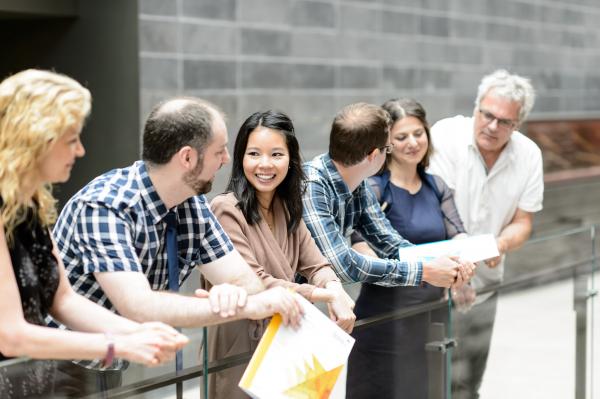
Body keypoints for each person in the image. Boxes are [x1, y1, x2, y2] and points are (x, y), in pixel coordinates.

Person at [50, 97, 304, 396]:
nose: (226, 159)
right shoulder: (106, 206)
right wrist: (236, 305)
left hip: (112, 362)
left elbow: (246, 283)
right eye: (219, 150)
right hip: (56, 365)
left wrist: (230, 293)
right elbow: (138, 305)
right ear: (187, 158)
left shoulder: (192, 206)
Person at [0, 69, 188, 398]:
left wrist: (142, 332)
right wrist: (119, 345)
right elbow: (11, 334)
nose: (81, 151)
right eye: (71, 139)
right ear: (34, 139)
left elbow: (64, 300)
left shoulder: (31, 203)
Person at [207, 110, 356, 399]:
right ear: (240, 159)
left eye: (276, 154)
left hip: (285, 339)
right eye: (254, 154)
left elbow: (317, 263)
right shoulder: (226, 209)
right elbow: (255, 280)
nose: (265, 164)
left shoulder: (288, 208)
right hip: (239, 343)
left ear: (291, 159)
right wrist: (322, 295)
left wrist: (335, 288)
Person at [428, 69, 543, 399]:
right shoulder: (446, 135)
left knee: (467, 385)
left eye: (504, 121)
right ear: (476, 107)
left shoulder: (529, 155)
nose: (492, 126)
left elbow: (523, 221)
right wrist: (457, 275)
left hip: (486, 288)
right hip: (434, 285)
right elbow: (434, 210)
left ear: (517, 124)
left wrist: (502, 243)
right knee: (427, 381)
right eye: (487, 114)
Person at [347, 98, 468, 398]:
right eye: (401, 137)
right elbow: (363, 253)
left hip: (432, 317)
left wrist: (464, 261)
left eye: (418, 133)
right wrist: (422, 271)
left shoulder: (436, 186)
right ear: (386, 144)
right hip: (384, 321)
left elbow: (459, 236)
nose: (413, 143)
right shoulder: (372, 189)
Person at [302, 102, 474, 290]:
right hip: (278, 299)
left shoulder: (359, 184)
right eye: (388, 147)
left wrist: (443, 262)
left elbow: (389, 242)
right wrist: (423, 271)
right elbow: (342, 264)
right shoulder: (311, 185)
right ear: (374, 155)